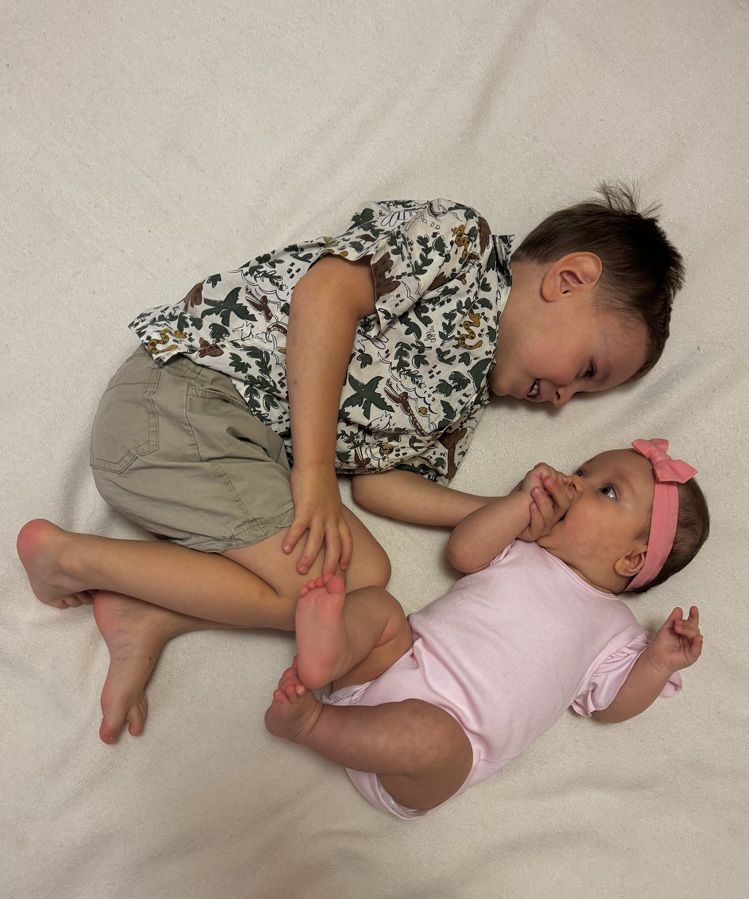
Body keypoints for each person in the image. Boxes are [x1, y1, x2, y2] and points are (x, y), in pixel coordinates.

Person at [17, 187, 685, 744]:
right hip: (185, 397)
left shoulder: (458, 410)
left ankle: (152, 611)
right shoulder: (461, 248)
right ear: (568, 280)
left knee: (363, 581)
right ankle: (72, 560)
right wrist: (312, 473)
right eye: (586, 370)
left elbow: (381, 487)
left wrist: (513, 513)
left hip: (228, 445)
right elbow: (326, 294)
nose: (563, 399)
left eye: (582, 395)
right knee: (322, 595)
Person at [265, 439, 709, 819]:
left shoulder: (615, 629)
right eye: (581, 471)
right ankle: (331, 654)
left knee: (433, 738)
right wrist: (522, 504)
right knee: (381, 608)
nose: (576, 483)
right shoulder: (521, 545)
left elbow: (610, 705)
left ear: (631, 559)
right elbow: (463, 552)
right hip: (394, 662)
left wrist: (657, 662)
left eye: (607, 491)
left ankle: (312, 723)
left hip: (446, 749)